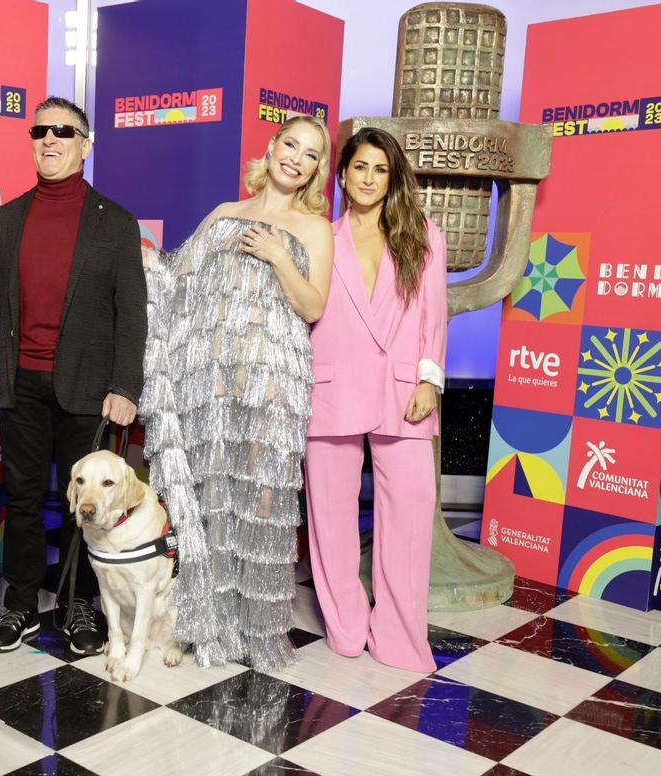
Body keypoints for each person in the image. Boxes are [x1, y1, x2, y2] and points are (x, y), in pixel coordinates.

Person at [140, 115, 334, 671]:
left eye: (311, 154)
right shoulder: (226, 213)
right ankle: (212, 624)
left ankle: (259, 630)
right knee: (215, 497)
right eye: (290, 145)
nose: (296, 158)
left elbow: (313, 306)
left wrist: (278, 256)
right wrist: (144, 258)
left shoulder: (315, 228)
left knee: (264, 499)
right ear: (271, 146)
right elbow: (179, 277)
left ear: (317, 169)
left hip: (274, 376)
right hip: (212, 381)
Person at [0, 97, 147, 655]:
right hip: (20, 386)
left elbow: (132, 313)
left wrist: (125, 386)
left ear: (85, 146)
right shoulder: (7, 219)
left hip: (90, 391)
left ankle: (80, 605)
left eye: (63, 131)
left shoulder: (116, 223)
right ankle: (21, 604)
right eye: (40, 132)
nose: (49, 139)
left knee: (90, 508)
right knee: (24, 500)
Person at [304, 126, 447, 673]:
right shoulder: (321, 237)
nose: (368, 179)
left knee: (410, 514)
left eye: (380, 170)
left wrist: (430, 379)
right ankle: (345, 626)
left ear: (393, 179)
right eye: (359, 167)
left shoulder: (423, 236)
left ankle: (399, 637)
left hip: (403, 388)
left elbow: (434, 313)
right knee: (330, 517)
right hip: (330, 387)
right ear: (342, 175)